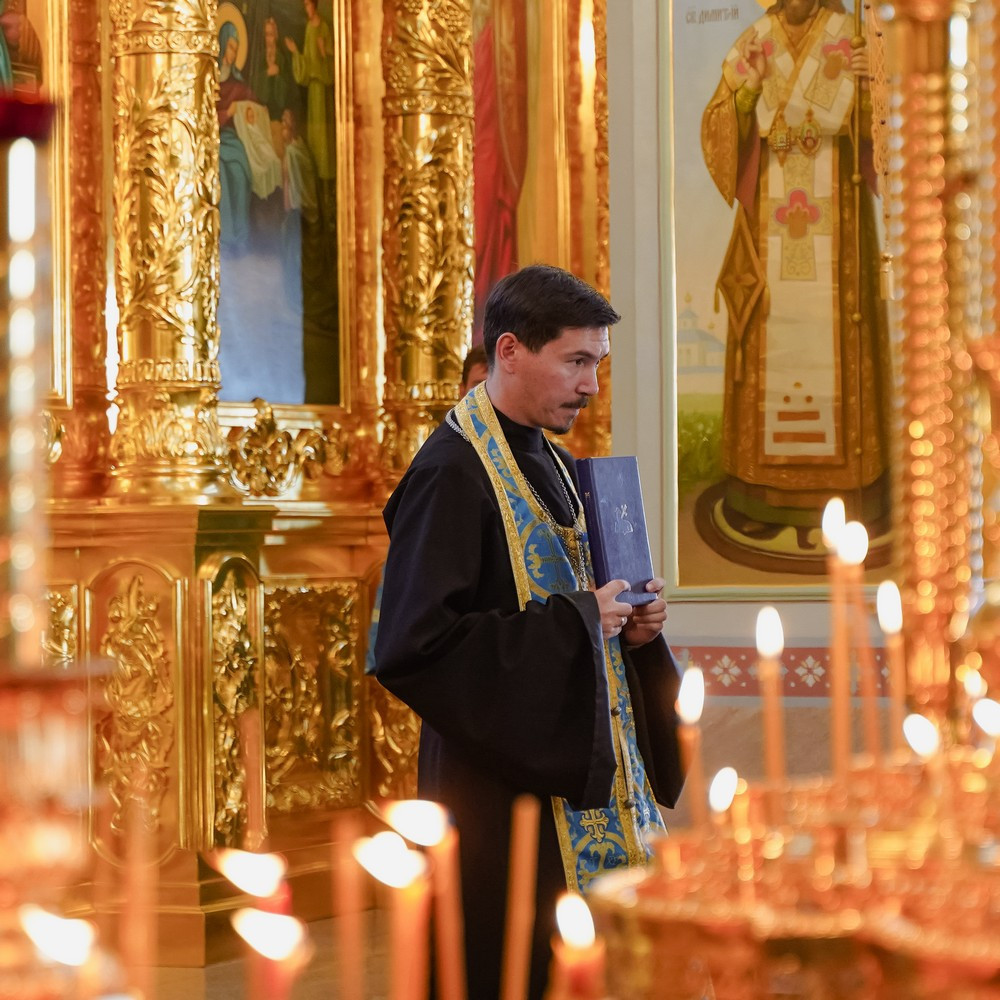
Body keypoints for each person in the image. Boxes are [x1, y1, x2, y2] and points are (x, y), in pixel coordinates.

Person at [374, 264, 684, 1000]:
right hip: (502, 803)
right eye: (575, 362)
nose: (591, 386)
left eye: (597, 364)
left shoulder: (553, 459)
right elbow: (413, 648)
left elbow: (583, 604)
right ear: (509, 351)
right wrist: (578, 622)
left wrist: (634, 633)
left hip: (583, 777)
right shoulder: (452, 472)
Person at [700, 0, 892, 567]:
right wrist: (744, 94)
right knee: (771, 332)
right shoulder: (757, 39)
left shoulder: (851, 34)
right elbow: (718, 124)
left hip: (840, 223)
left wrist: (873, 87)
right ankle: (763, 492)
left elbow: (882, 130)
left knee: (837, 338)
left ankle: (849, 488)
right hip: (771, 218)